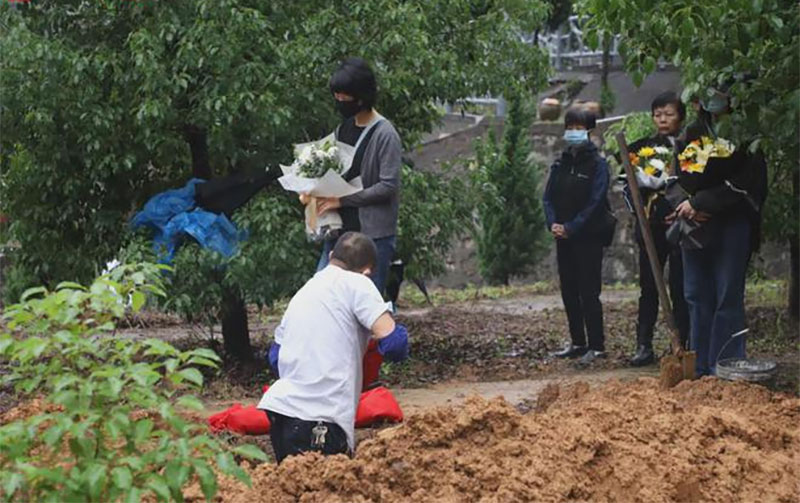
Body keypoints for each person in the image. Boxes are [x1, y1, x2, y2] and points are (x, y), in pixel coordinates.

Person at [257, 232, 409, 463]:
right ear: (367, 270)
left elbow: (275, 357)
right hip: (321, 419)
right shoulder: (359, 283)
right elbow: (396, 345)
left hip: (282, 414)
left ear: (331, 256)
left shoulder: (306, 290)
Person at [667, 85, 767, 377]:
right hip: (694, 225)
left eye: (720, 92)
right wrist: (686, 206)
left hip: (732, 223)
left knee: (727, 294)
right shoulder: (691, 134)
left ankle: (726, 365)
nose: (713, 98)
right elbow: (675, 180)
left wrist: (702, 202)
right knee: (696, 294)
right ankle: (699, 367)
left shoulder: (745, 134)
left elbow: (749, 182)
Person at [310, 57, 403, 296]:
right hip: (338, 232)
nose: (339, 101)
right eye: (336, 95)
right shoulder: (344, 128)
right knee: (323, 295)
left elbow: (388, 186)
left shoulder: (385, 134)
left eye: (344, 96)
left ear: (361, 97)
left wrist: (342, 200)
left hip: (371, 237)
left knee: (365, 301)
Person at [622, 92, 690, 366]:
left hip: (683, 226)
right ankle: (643, 344)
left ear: (681, 117)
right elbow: (628, 188)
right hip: (650, 228)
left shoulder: (690, 147)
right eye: (658, 114)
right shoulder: (640, 150)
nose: (663, 119)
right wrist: (638, 211)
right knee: (649, 288)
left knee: (681, 286)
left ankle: (684, 341)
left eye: (669, 114)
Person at [543, 108, 615, 365]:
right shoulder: (561, 162)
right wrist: (554, 223)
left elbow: (596, 202)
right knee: (569, 290)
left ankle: (596, 345)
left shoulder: (598, 165)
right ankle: (577, 341)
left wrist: (573, 226)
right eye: (569, 127)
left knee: (588, 290)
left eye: (578, 127)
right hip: (563, 237)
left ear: (589, 130)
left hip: (588, 237)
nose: (573, 132)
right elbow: (548, 197)